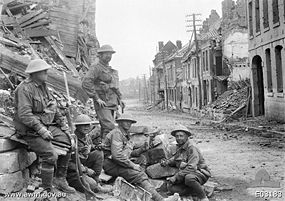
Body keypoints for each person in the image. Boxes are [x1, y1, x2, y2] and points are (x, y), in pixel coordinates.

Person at [13, 59, 76, 195]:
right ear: (35, 73)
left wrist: (64, 126)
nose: (47, 73)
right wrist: (41, 130)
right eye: (44, 71)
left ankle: (60, 179)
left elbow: (54, 107)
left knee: (69, 143)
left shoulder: (43, 86)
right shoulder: (24, 89)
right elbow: (25, 115)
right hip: (28, 129)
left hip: (44, 124)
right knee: (51, 155)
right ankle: (47, 189)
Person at [103, 114, 179, 201]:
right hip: (110, 164)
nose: (129, 124)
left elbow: (130, 153)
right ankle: (160, 199)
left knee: (142, 159)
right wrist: (132, 165)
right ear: (120, 122)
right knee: (138, 174)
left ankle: (141, 185)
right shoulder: (117, 134)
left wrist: (142, 149)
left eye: (130, 122)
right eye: (126, 121)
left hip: (117, 162)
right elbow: (117, 156)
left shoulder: (125, 134)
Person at [82, 44, 124, 140]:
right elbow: (86, 83)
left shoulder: (109, 69)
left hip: (112, 102)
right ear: (100, 55)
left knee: (106, 129)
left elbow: (114, 87)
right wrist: (96, 98)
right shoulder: (96, 68)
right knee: (110, 127)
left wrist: (120, 99)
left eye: (110, 54)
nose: (109, 56)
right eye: (106, 54)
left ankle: (104, 151)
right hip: (103, 103)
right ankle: (109, 149)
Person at [161, 125, 211, 201]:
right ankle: (196, 190)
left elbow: (192, 167)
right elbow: (175, 159)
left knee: (189, 178)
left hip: (199, 173)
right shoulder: (179, 147)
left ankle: (203, 197)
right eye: (177, 136)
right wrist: (166, 162)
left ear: (187, 136)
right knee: (171, 187)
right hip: (185, 174)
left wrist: (176, 177)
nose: (179, 138)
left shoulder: (192, 148)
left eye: (181, 136)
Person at [67, 114, 112, 193]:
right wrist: (86, 170)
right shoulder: (72, 140)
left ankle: (96, 177)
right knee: (92, 185)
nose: (86, 127)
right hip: (74, 171)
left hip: (84, 164)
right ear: (77, 126)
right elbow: (69, 163)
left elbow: (90, 147)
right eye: (83, 125)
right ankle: (96, 186)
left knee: (99, 153)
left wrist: (96, 147)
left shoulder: (86, 137)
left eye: (88, 125)